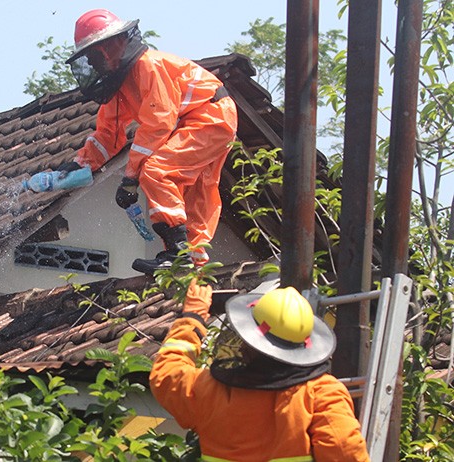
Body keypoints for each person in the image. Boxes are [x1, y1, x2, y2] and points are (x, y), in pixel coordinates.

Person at [57, 9, 239, 275]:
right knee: (192, 190)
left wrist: (131, 178)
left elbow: (158, 124)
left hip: (210, 117)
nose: (94, 63)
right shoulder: (120, 85)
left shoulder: (148, 66)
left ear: (110, 47)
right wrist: (80, 163)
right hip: (201, 120)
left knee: (157, 171)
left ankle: (178, 255)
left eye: (94, 55)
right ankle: (190, 261)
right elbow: (109, 133)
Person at [150, 281, 370, 461]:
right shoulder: (322, 394)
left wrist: (192, 319)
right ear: (306, 344)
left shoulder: (209, 390)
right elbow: (345, 451)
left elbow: (166, 375)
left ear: (248, 339)